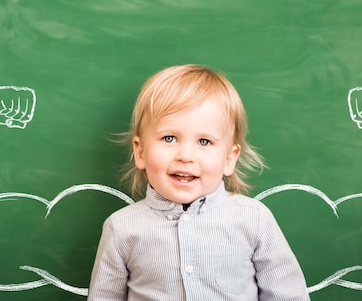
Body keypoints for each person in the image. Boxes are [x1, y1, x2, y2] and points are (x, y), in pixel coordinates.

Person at [88, 64, 310, 300]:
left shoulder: (253, 220)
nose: (185, 155)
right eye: (169, 138)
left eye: (204, 142)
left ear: (228, 158)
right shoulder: (122, 228)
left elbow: (288, 295)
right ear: (140, 152)